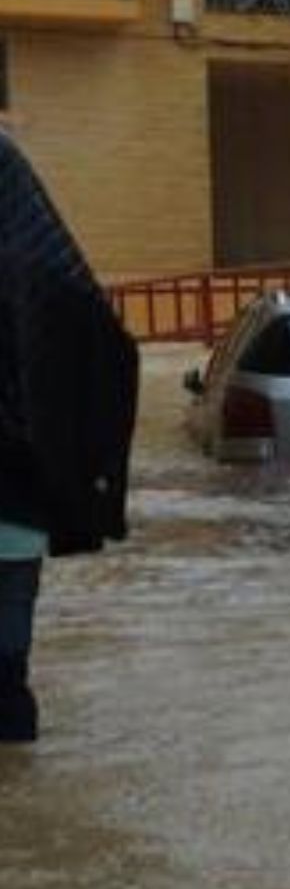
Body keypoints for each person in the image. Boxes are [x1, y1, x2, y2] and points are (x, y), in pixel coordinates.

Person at [0, 131, 139, 744]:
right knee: (6, 674)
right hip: (18, 498)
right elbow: (92, 332)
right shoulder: (38, 285)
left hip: (15, 502)